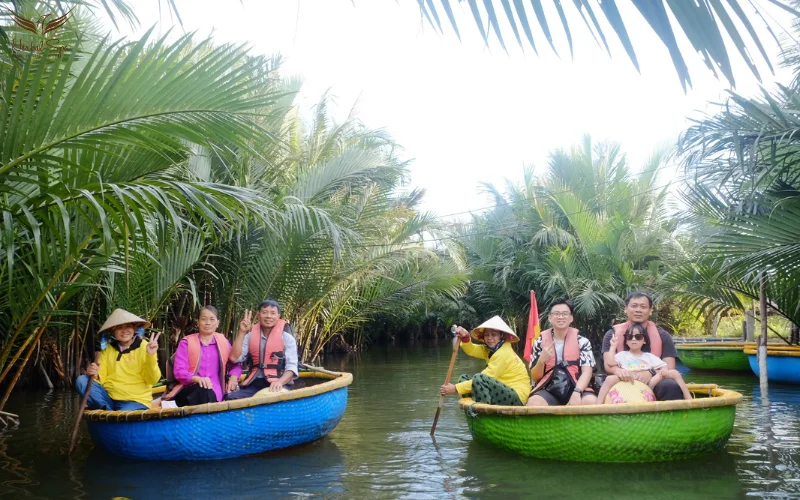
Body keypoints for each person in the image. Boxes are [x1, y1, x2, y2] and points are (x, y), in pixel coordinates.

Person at [601, 292, 683, 401]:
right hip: (623, 381)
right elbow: (608, 365)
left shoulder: (663, 335)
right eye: (634, 306)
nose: (638, 310)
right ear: (626, 309)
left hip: (653, 381)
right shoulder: (612, 334)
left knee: (670, 385)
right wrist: (619, 372)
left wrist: (650, 373)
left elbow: (670, 366)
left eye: (643, 307)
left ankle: (672, 415)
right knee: (609, 381)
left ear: (650, 311)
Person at [75, 309, 161, 411]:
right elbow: (100, 379)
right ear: (112, 331)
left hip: (135, 401)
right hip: (109, 399)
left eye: (128, 326)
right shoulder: (107, 350)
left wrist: (150, 356)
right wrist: (94, 373)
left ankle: (110, 413)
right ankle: (110, 411)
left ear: (134, 328)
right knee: (81, 381)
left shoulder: (146, 347)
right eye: (119, 327)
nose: (124, 331)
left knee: (124, 411)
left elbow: (152, 379)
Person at [439, 316, 530, 406]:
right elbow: (472, 350)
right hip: (502, 390)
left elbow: (484, 377)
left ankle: (483, 411)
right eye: (487, 335)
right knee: (463, 379)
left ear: (501, 336)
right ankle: (475, 408)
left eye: (493, 334)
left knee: (479, 378)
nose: (489, 338)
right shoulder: (491, 349)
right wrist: (466, 337)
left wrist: (455, 388)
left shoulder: (503, 353)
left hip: (517, 396)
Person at [163, 306, 242, 406]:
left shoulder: (223, 342)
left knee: (211, 393)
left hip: (217, 392)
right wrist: (197, 379)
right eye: (204, 319)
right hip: (189, 390)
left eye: (212, 319)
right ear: (198, 322)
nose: (208, 323)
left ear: (217, 323)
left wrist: (234, 377)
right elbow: (179, 371)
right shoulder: (186, 342)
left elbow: (235, 364)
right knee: (204, 391)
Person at [527, 299, 598, 406]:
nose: (560, 317)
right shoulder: (540, 342)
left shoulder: (582, 342)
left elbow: (587, 372)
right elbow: (536, 377)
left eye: (565, 314)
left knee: (590, 401)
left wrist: (577, 392)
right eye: (556, 314)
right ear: (550, 318)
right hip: (550, 387)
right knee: (534, 402)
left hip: (576, 384)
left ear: (571, 318)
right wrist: (541, 360)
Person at [597, 324, 692, 402]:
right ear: (626, 341)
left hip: (648, 383)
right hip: (627, 380)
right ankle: (597, 406)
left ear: (644, 341)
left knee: (674, 373)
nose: (634, 339)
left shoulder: (649, 356)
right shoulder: (622, 355)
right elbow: (610, 362)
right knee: (609, 379)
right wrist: (613, 346)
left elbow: (665, 366)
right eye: (630, 337)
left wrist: (664, 371)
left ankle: (690, 400)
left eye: (638, 337)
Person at [225, 299, 298, 400]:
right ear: (258, 315)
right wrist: (242, 332)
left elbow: (292, 368)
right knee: (231, 398)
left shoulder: (287, 338)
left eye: (273, 313)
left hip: (279, 382)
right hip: (254, 382)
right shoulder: (249, 336)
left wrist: (279, 382)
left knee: (273, 399)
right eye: (265, 312)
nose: (268, 316)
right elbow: (234, 358)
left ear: (278, 316)